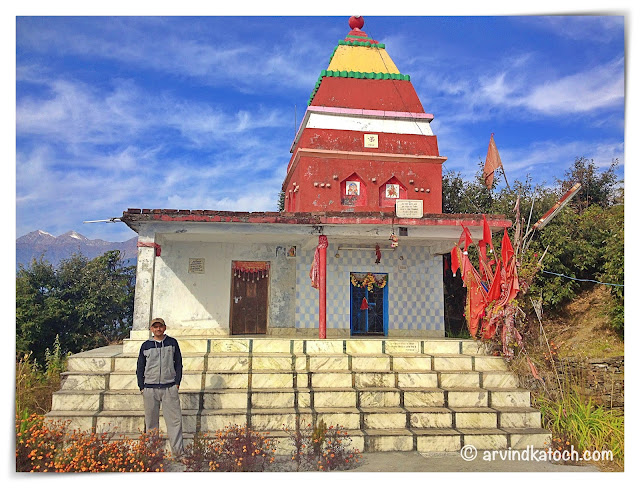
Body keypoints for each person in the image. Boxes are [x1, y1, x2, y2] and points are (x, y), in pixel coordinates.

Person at [136, 317, 184, 458]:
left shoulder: (172, 343)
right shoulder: (146, 346)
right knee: (151, 423)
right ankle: (152, 454)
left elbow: (178, 363)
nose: (158, 329)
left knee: (175, 422)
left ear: (165, 327)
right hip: (150, 389)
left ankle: (178, 453)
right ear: (151, 329)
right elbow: (140, 367)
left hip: (169, 388)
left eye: (160, 326)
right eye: (155, 327)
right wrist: (141, 387)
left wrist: (177, 383)